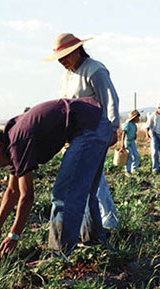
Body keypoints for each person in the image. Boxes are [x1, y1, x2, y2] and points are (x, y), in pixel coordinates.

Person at [0, 98, 110, 257]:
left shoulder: (17, 143)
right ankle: (95, 244)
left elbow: (27, 197)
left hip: (89, 128)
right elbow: (12, 191)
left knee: (63, 194)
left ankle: (59, 254)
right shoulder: (10, 140)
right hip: (96, 122)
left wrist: (14, 235)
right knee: (84, 191)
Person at [43, 33, 119, 230]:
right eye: (59, 58)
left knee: (90, 181)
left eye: (65, 56)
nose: (62, 61)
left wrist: (113, 128)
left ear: (77, 50)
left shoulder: (95, 70)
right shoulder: (67, 76)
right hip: (77, 136)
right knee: (89, 182)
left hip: (94, 131)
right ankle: (98, 228)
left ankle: (108, 220)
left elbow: (110, 99)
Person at [120, 109, 140, 175]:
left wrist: (135, 136)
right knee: (129, 156)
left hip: (132, 142)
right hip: (127, 142)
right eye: (137, 117)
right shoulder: (128, 124)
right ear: (134, 118)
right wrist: (122, 144)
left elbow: (134, 133)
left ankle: (134, 170)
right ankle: (127, 171)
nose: (138, 119)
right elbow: (123, 133)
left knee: (136, 156)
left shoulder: (134, 125)